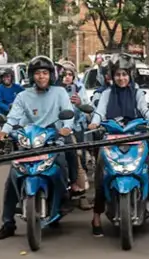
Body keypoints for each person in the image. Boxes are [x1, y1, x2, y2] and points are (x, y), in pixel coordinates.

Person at [0, 55, 77, 240]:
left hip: (53, 139)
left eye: (45, 73)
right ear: (32, 76)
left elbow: (68, 114)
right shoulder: (23, 96)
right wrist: (4, 131)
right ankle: (8, 223)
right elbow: (13, 118)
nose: (41, 77)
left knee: (64, 158)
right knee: (12, 178)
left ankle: (67, 194)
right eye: (38, 73)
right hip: (29, 141)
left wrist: (66, 128)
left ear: (51, 75)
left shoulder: (60, 92)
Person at [87, 53, 149, 237]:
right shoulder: (106, 93)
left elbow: (145, 110)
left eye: (124, 74)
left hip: (136, 136)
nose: (121, 78)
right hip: (111, 138)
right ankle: (96, 218)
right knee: (101, 176)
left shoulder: (137, 92)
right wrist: (94, 123)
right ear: (112, 76)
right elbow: (99, 112)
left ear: (130, 75)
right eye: (117, 74)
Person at [57, 60, 92, 210]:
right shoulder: (55, 89)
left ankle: (81, 195)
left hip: (77, 127)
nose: (67, 77)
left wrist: (79, 103)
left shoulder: (79, 88)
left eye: (70, 74)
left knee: (79, 158)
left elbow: (88, 107)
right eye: (64, 74)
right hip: (57, 130)